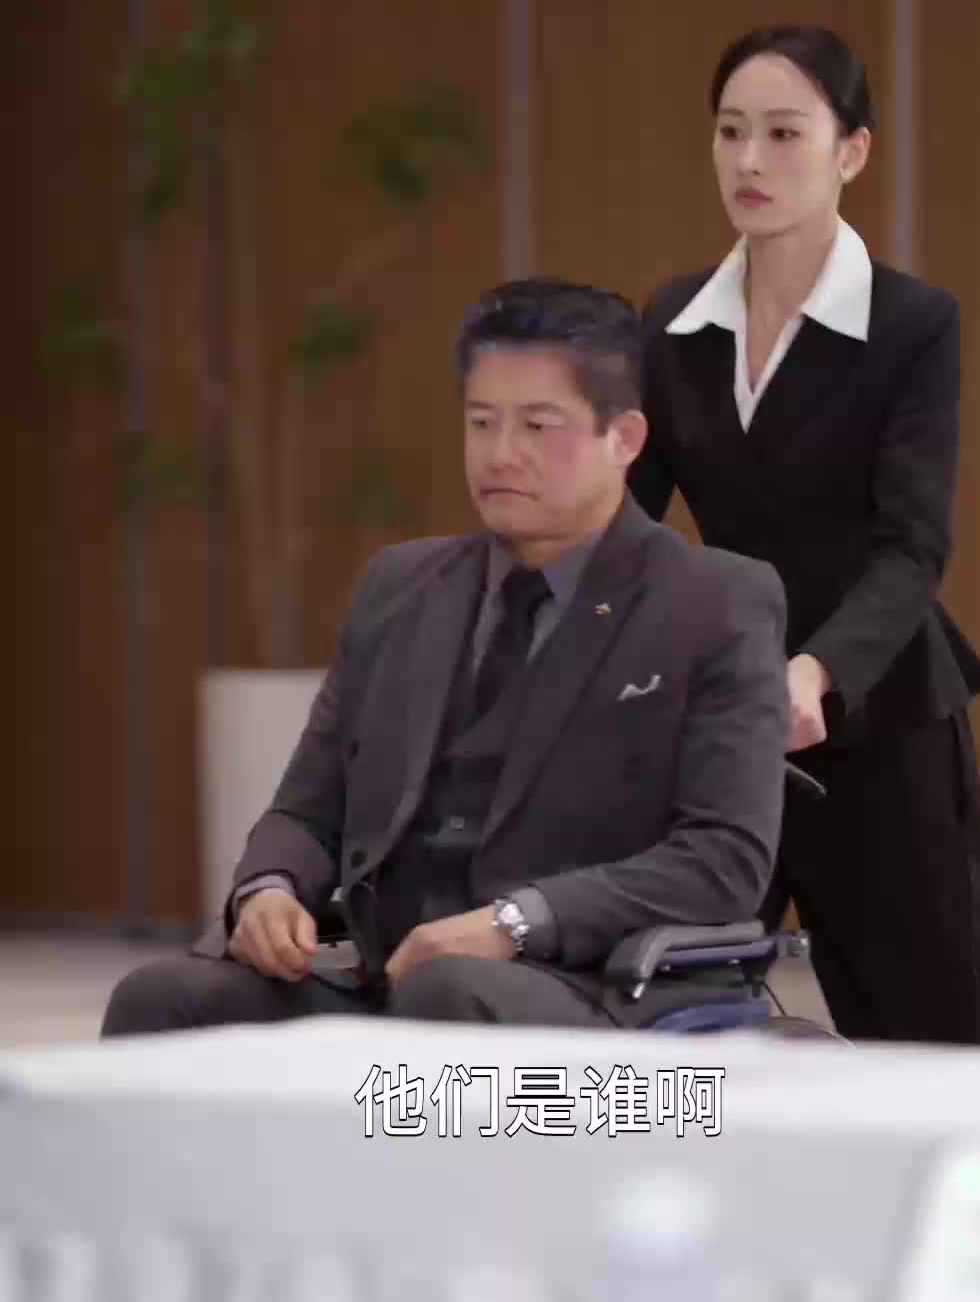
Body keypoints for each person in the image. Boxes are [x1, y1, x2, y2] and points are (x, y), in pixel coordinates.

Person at [102, 278, 789, 1039]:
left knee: (448, 997)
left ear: (623, 439)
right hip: (387, 977)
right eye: (481, 421)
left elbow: (723, 860)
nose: (501, 454)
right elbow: (307, 809)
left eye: (538, 425)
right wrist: (269, 887)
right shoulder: (399, 586)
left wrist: (515, 922)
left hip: (584, 989)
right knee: (162, 999)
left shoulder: (715, 601)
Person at [630, 23, 980, 1047]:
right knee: (661, 1014)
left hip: (877, 718)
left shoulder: (912, 323)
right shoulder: (673, 320)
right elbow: (627, 523)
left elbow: (913, 546)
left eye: (784, 133)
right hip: (719, 724)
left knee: (935, 1036)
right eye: (730, 131)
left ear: (853, 150)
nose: (749, 161)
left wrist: (815, 670)